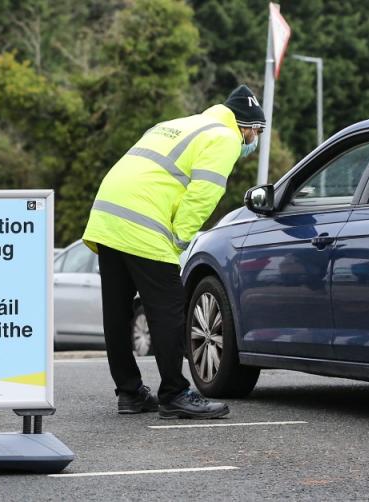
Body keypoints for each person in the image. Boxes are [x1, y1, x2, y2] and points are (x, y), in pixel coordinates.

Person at [82, 85, 265, 419]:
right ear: (247, 127)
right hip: (143, 221)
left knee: (117, 312)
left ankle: (129, 392)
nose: (255, 141)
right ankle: (175, 393)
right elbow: (203, 195)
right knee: (169, 308)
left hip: (107, 216)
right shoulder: (224, 137)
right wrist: (179, 238)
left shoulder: (179, 124)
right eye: (257, 133)